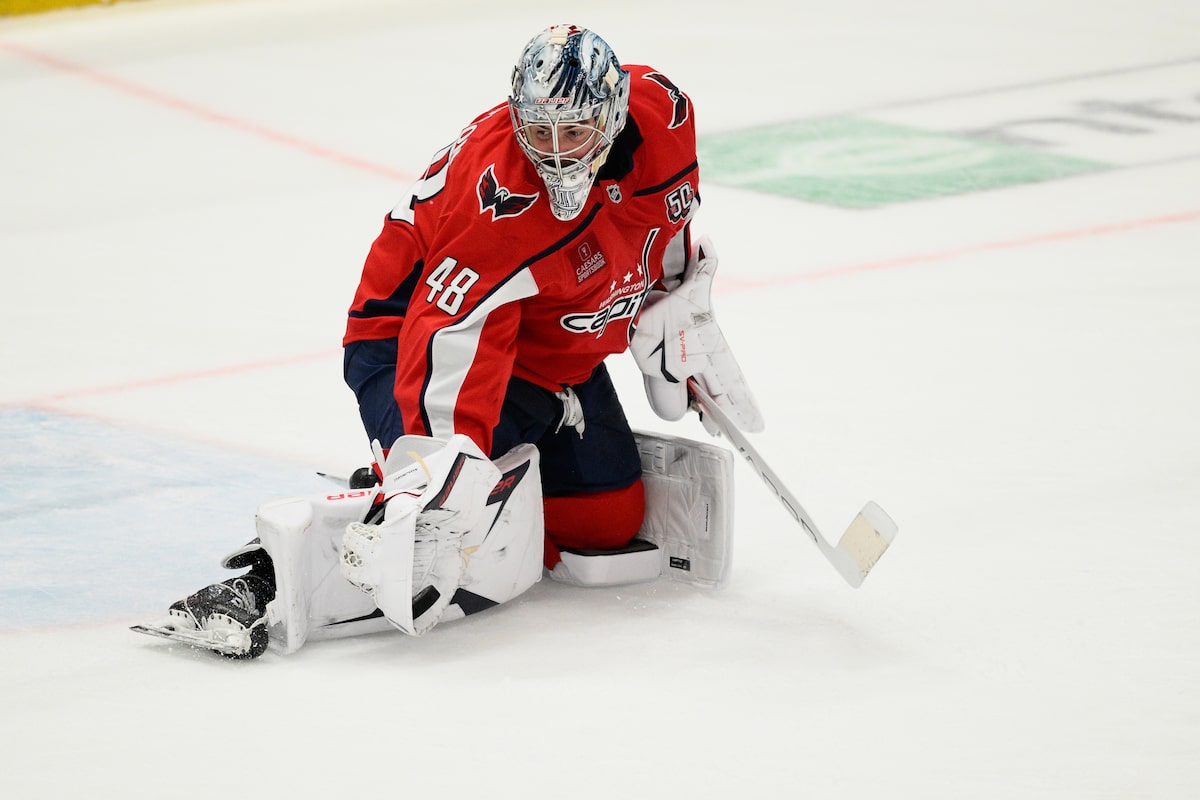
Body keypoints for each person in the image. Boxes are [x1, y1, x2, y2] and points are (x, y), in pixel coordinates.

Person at [136, 24, 762, 659]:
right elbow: (444, 340)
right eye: (538, 133)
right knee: (438, 521)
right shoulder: (503, 208)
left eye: (574, 133)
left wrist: (675, 302)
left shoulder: (665, 114)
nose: (555, 154)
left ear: (614, 114)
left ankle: (510, 471)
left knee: (607, 522)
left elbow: (667, 217)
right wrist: (428, 483)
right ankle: (275, 574)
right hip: (413, 332)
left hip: (544, 340)